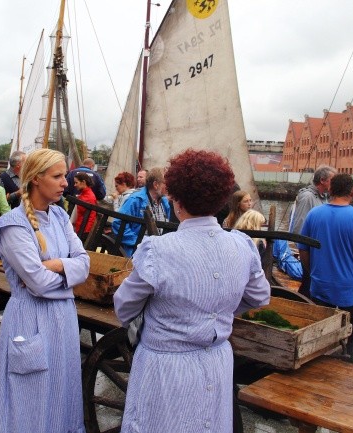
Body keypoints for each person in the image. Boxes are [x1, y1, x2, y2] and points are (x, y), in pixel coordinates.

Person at [113, 149, 271, 433]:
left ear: (176, 200)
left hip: (165, 366)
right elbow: (259, 295)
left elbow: (124, 306)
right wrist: (220, 310)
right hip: (216, 358)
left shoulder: (159, 250)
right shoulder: (241, 245)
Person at [0, 148, 89, 433]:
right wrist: (68, 274)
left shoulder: (59, 216)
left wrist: (56, 264)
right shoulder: (13, 227)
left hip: (64, 321)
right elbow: (38, 282)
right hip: (31, 321)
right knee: (30, 399)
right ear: (35, 179)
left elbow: (85, 264)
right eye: (57, 176)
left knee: (64, 393)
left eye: (64, 176)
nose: (65, 183)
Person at [297, 173, 353, 363]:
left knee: (318, 334)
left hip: (319, 286)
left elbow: (303, 250)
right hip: (348, 290)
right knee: (348, 337)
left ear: (331, 190)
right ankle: (344, 368)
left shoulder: (314, 214)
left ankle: (315, 365)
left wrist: (310, 273)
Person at [289, 165, 337, 297]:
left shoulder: (325, 198)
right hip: (310, 251)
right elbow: (299, 227)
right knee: (308, 283)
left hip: (321, 251)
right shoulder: (307, 197)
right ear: (322, 180)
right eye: (332, 180)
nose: (335, 183)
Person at [112, 167, 170, 257]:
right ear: (156, 185)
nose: (168, 187)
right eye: (166, 183)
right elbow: (118, 223)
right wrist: (138, 242)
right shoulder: (135, 200)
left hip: (156, 254)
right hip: (137, 254)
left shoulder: (164, 202)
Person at [72, 172, 97, 240]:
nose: (75, 185)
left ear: (83, 182)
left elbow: (91, 216)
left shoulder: (89, 197)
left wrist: (85, 232)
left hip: (83, 229)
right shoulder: (85, 194)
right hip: (81, 228)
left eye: (76, 182)